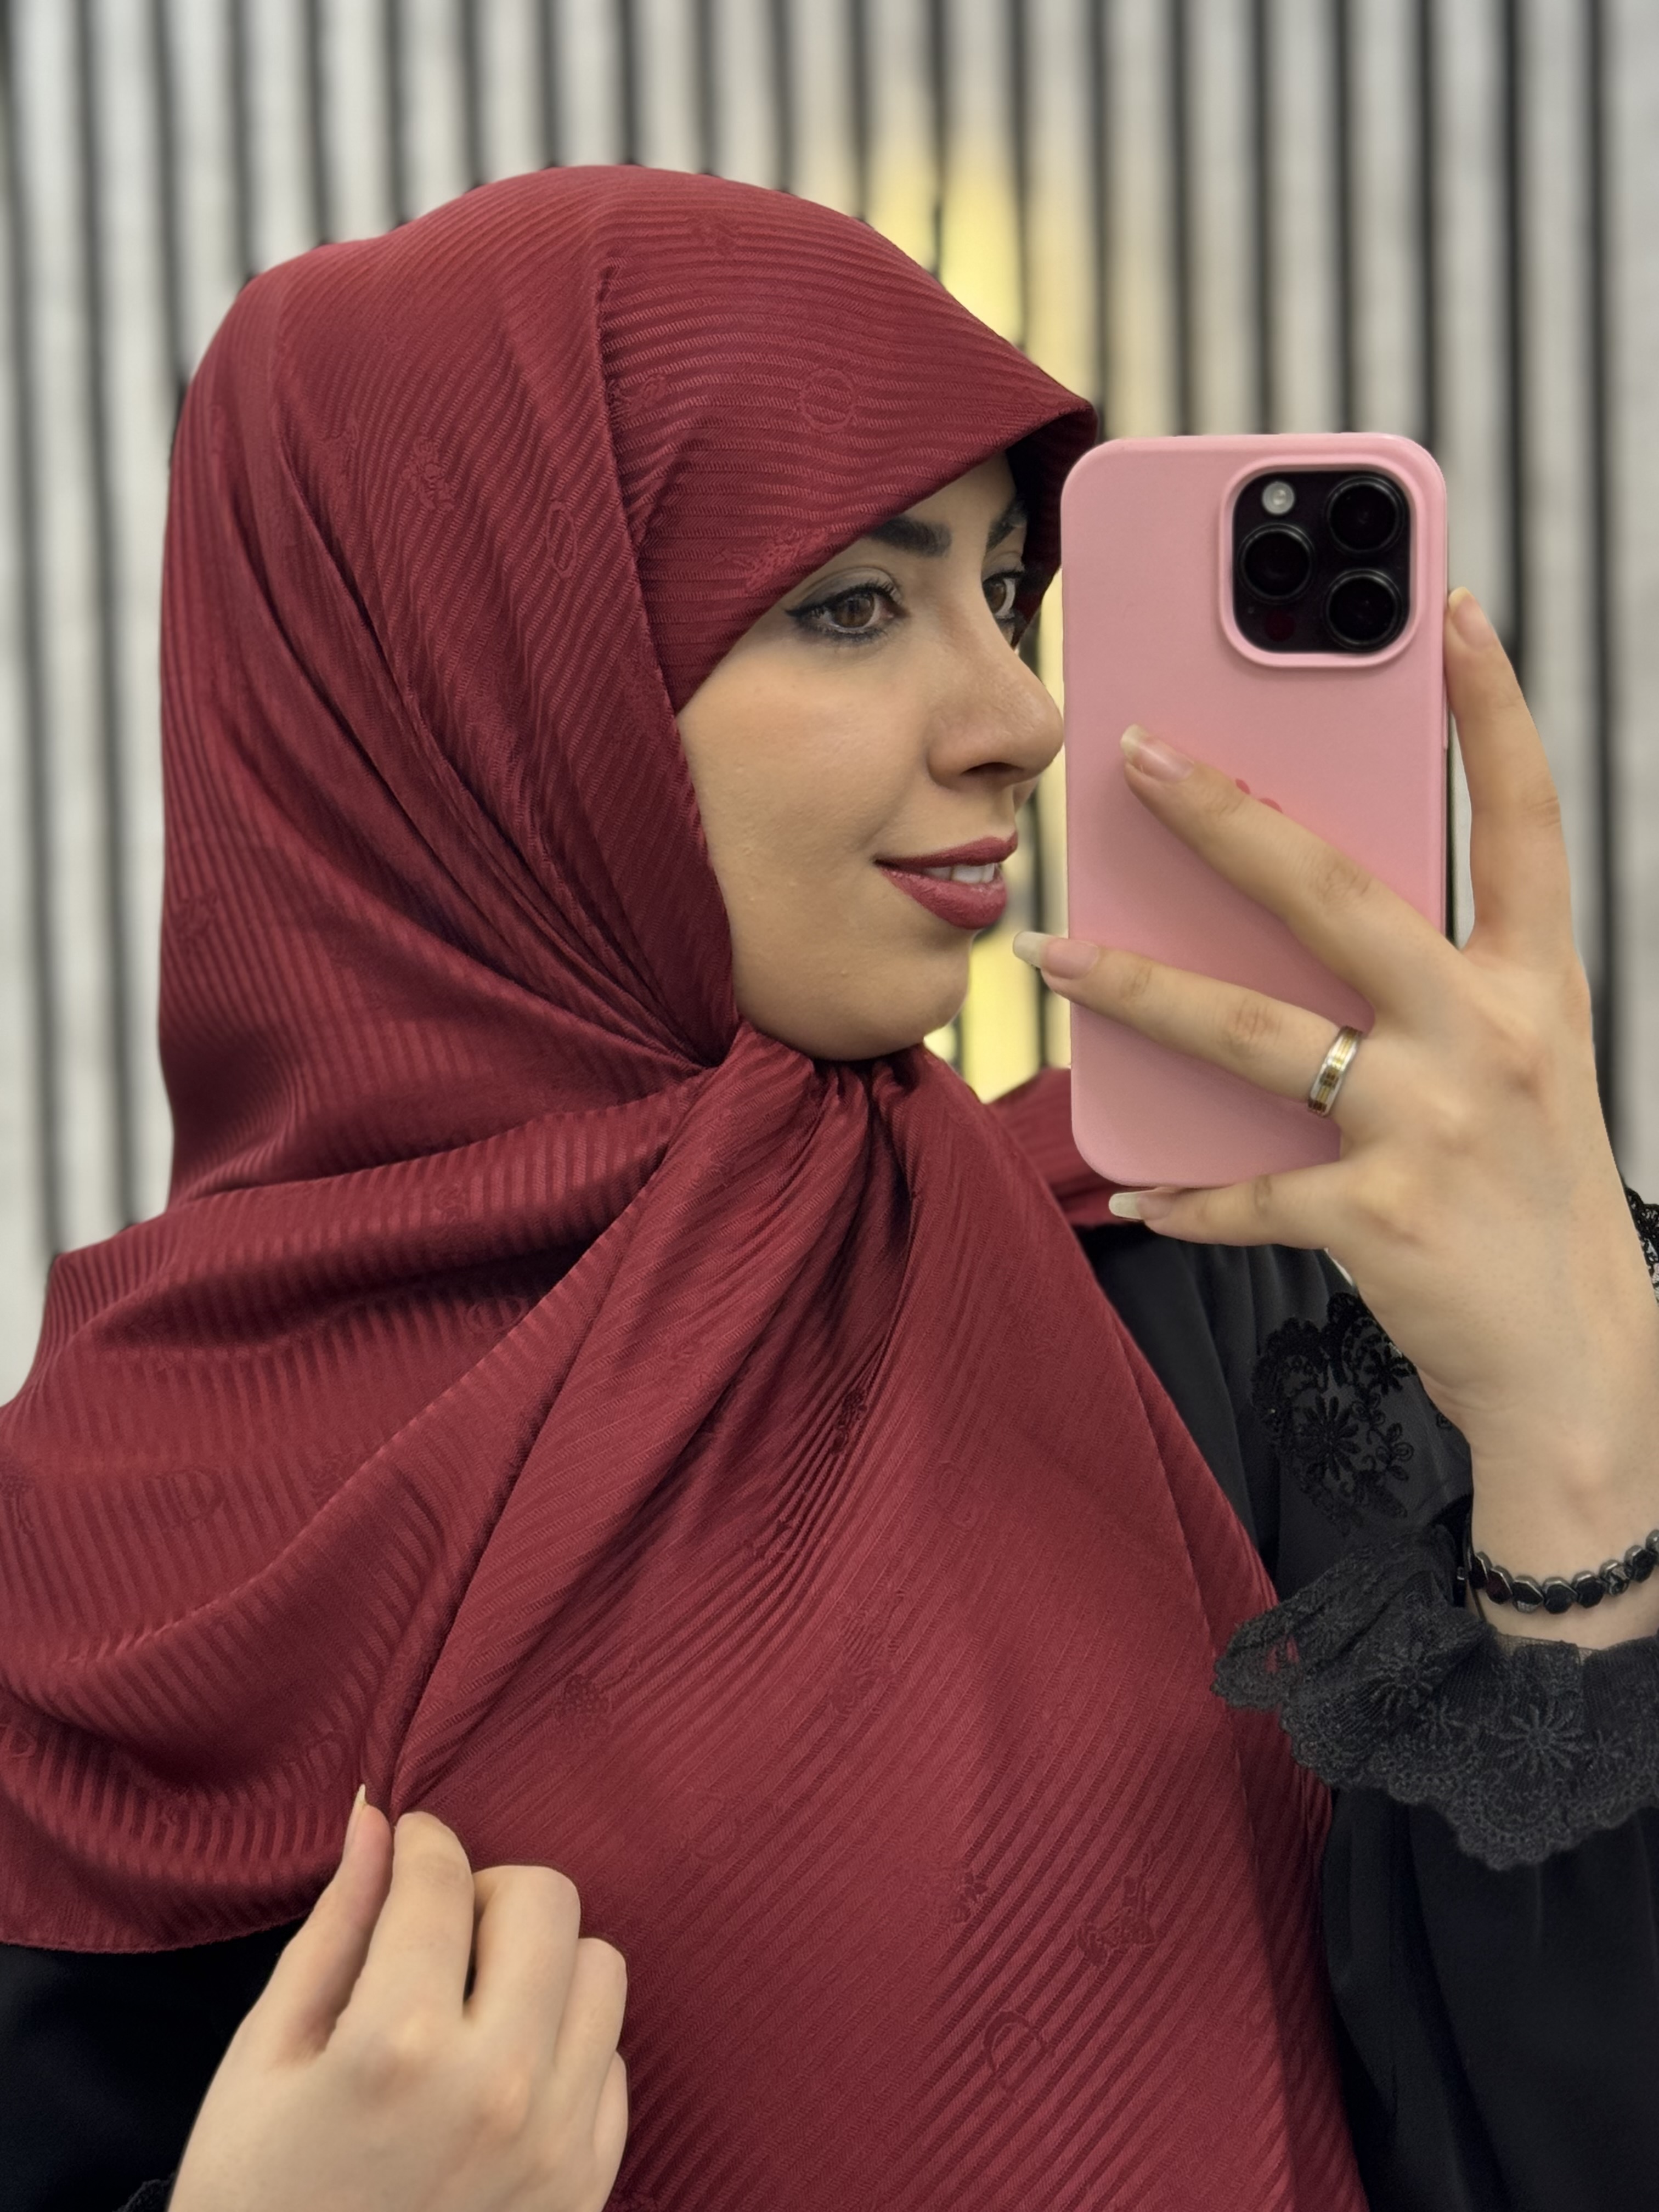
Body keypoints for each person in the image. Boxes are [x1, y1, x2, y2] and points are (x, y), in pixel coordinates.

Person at [2, 163, 1657, 2212]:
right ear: (475, 673)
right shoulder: (95, 1562)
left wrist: (1575, 1422)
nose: (1023, 717)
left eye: (1007, 593)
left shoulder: (1197, 1278)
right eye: (854, 605)